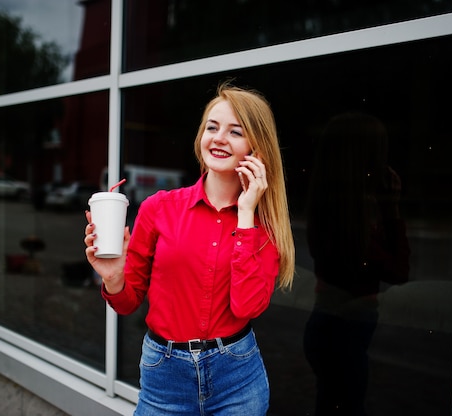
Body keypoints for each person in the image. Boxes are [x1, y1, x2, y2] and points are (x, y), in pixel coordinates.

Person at [84, 80, 295, 415]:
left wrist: (245, 214)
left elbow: (247, 307)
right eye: (212, 127)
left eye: (235, 132)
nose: (219, 138)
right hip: (163, 378)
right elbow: (127, 303)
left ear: (257, 150)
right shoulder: (158, 208)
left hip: (237, 381)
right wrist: (113, 278)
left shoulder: (264, 229)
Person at [303, 112, 410, 415]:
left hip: (332, 332)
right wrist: (391, 210)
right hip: (342, 336)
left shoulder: (332, 209)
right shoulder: (348, 222)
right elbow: (399, 272)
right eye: (378, 153)